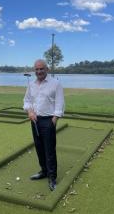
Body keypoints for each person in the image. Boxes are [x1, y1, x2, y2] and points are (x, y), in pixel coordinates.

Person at [23, 59, 65, 191]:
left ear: (47, 69)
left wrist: (54, 119)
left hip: (48, 121)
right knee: (39, 148)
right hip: (35, 120)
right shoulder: (31, 84)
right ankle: (44, 171)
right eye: (37, 69)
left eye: (42, 69)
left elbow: (60, 103)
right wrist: (29, 111)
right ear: (34, 70)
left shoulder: (55, 84)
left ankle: (52, 177)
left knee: (49, 150)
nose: (39, 71)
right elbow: (27, 100)